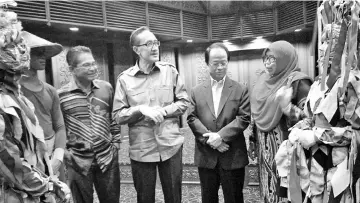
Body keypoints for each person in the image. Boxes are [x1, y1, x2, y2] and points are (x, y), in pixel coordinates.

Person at [274, 1, 360, 201]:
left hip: (341, 167)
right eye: (322, 45)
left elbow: (355, 132)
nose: (323, 51)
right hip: (314, 165)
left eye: (329, 47)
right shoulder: (317, 86)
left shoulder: (353, 85)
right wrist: (290, 112)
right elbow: (310, 118)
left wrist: (318, 136)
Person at [0, 3, 70, 203]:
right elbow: (6, 158)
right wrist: (46, 186)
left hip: (40, 169)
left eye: (21, 44)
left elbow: (58, 126)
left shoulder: (18, 96)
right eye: (12, 44)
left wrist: (56, 157)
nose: (21, 50)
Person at [112, 26, 189, 203]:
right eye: (148, 44)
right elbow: (117, 115)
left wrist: (164, 111)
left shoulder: (170, 71)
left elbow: (184, 102)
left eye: (156, 42)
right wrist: (140, 110)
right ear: (136, 49)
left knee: (174, 197)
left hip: (171, 145)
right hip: (142, 148)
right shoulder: (125, 79)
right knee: (145, 198)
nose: (155, 47)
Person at [248, 40, 312, 203]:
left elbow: (311, 121)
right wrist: (252, 140)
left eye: (273, 59)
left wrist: (287, 107)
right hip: (264, 150)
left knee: (286, 192)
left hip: (287, 152)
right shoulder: (263, 80)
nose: (268, 63)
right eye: (266, 58)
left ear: (285, 58)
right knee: (268, 190)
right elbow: (256, 112)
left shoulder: (299, 82)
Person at [187, 42, 250, 203]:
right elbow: (192, 118)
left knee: (234, 198)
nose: (220, 67)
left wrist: (221, 137)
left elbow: (244, 118)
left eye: (224, 62)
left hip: (232, 154)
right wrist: (212, 140)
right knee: (208, 198)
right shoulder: (196, 91)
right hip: (206, 156)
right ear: (208, 64)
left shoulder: (240, 89)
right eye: (215, 63)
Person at [58, 46, 121, 203]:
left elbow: (113, 117)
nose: (93, 68)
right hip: (77, 162)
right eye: (86, 65)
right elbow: (60, 128)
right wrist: (66, 154)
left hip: (107, 158)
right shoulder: (61, 95)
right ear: (72, 69)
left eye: (93, 63)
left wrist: (116, 143)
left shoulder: (106, 88)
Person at [19, 31, 66, 180]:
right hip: (25, 156)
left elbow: (59, 126)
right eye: (37, 53)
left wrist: (58, 156)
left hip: (52, 152)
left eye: (44, 53)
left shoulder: (50, 90)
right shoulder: (12, 92)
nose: (43, 57)